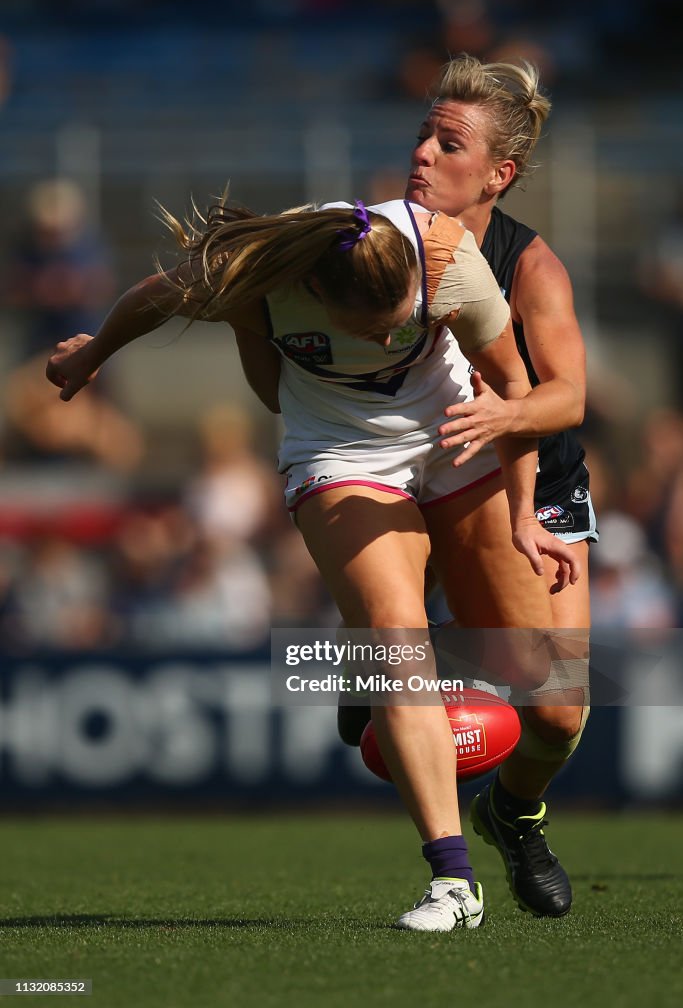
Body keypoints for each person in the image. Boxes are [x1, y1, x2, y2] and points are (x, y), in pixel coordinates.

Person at [46, 196, 580, 932]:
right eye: (376, 326)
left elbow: (516, 391)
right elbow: (150, 298)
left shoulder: (451, 266)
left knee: (552, 695)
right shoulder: (250, 272)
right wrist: (90, 354)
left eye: (404, 319)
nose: (395, 332)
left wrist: (523, 514)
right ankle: (452, 882)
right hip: (341, 450)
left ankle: (504, 807)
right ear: (320, 293)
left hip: (455, 435)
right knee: (395, 636)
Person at [233, 54, 594, 919]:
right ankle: (443, 851)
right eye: (422, 134)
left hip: (527, 470)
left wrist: (506, 418)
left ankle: (514, 813)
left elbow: (565, 399)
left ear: (498, 175)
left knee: (556, 716)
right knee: (396, 629)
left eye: (448, 142)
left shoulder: (527, 266)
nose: (422, 154)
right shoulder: (375, 242)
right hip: (412, 461)